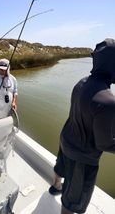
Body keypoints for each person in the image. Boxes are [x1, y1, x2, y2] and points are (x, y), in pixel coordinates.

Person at [49, 38, 115, 214]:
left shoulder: (81, 82)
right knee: (72, 202)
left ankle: (56, 186)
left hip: (66, 139)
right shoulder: (109, 101)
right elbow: (104, 144)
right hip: (82, 158)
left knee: (60, 168)